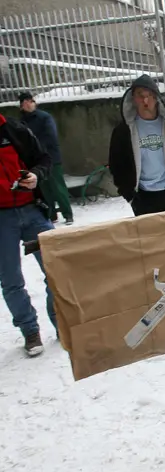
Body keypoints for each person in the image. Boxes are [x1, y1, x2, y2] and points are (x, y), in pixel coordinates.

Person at [0, 112, 58, 357]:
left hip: (32, 210)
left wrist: (35, 175)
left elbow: (44, 159)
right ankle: (29, 330)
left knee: (57, 270)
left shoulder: (14, 130)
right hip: (2, 219)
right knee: (11, 281)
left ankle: (62, 323)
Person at [108, 74, 165, 216]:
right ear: (133, 99)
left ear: (156, 98)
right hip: (143, 198)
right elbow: (116, 165)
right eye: (140, 96)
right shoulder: (123, 132)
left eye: (149, 95)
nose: (145, 100)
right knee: (150, 238)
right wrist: (130, 196)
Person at [18, 92, 74, 225]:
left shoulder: (44, 117)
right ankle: (51, 214)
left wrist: (35, 147)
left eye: (30, 101)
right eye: (25, 102)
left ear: (34, 103)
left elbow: (51, 136)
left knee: (58, 187)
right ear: (21, 106)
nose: (28, 104)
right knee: (44, 189)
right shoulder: (21, 122)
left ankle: (68, 214)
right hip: (36, 162)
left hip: (51, 158)